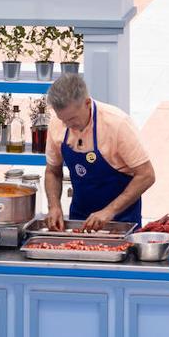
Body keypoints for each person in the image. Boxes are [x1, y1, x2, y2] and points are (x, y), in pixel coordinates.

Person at [44, 73, 154, 231]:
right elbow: (53, 171)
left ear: (87, 103)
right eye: (63, 119)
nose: (67, 125)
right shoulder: (57, 125)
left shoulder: (118, 124)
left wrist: (110, 211)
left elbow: (147, 175)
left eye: (73, 119)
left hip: (122, 221)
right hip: (79, 221)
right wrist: (53, 206)